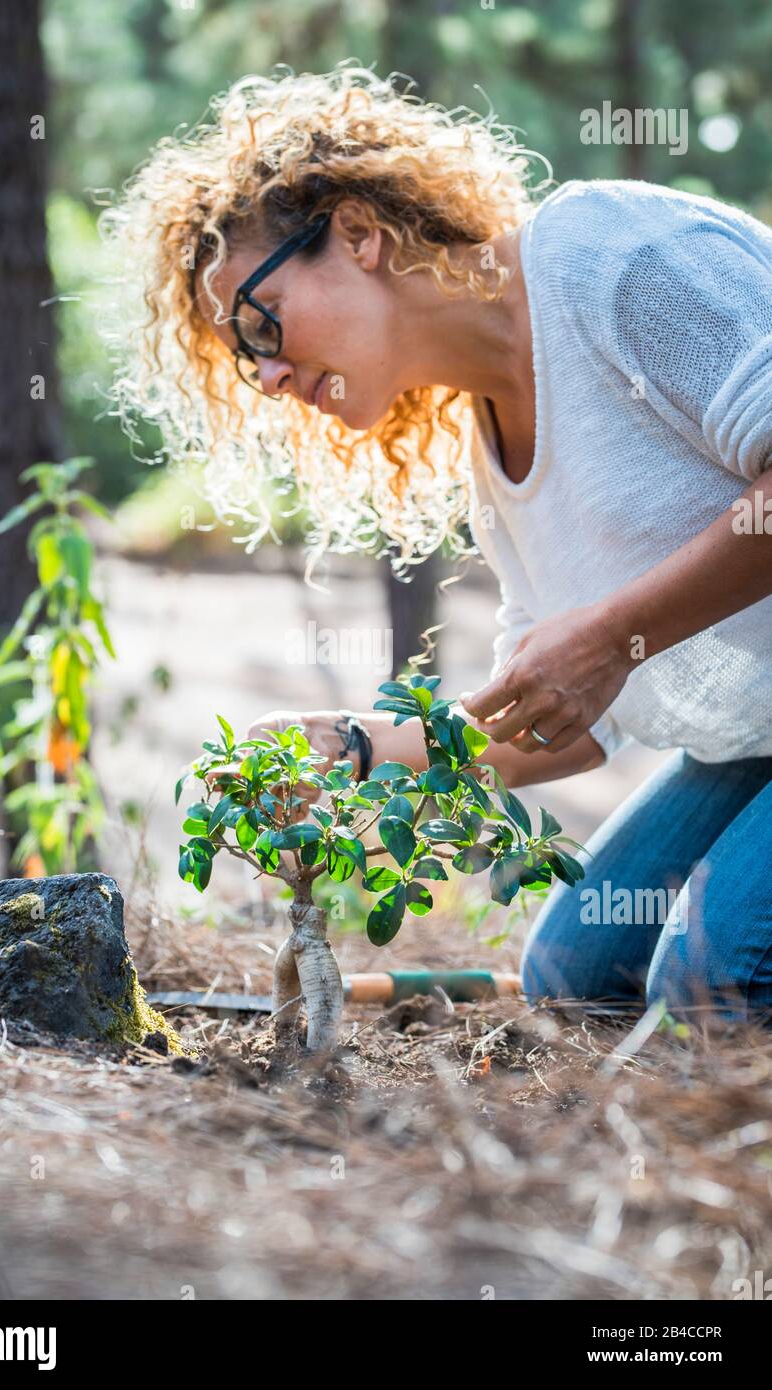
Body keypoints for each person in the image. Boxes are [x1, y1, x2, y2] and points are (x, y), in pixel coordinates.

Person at [104, 65, 772, 1023]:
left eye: (260, 321)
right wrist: (354, 753)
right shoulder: (491, 461)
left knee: (716, 981)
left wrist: (612, 634)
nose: (270, 372)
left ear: (357, 235)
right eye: (246, 360)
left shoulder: (604, 257)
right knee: (574, 980)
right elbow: (564, 722)